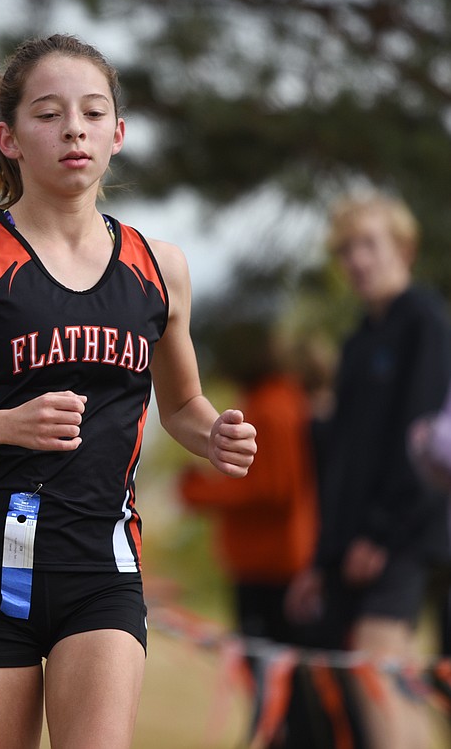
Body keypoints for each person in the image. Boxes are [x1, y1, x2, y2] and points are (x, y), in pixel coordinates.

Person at [0, 33, 257, 749]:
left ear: (118, 134)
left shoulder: (160, 267)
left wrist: (214, 432)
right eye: (48, 113)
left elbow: (184, 406)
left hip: (102, 569)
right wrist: (4, 425)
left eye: (93, 112)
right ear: (8, 138)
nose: (74, 127)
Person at [286, 192, 451, 749]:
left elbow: (425, 444)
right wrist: (321, 558)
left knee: (377, 663)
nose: (357, 260)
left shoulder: (425, 321)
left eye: (369, 245)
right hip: (351, 542)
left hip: (406, 532)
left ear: (403, 248)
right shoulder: (357, 342)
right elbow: (343, 467)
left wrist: (382, 534)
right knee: (376, 679)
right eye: (346, 250)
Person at [175, 320, 320, 747]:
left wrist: (199, 491)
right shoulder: (266, 400)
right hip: (261, 565)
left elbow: (271, 488)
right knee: (269, 680)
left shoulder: (274, 405)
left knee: (278, 683)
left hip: (273, 568)